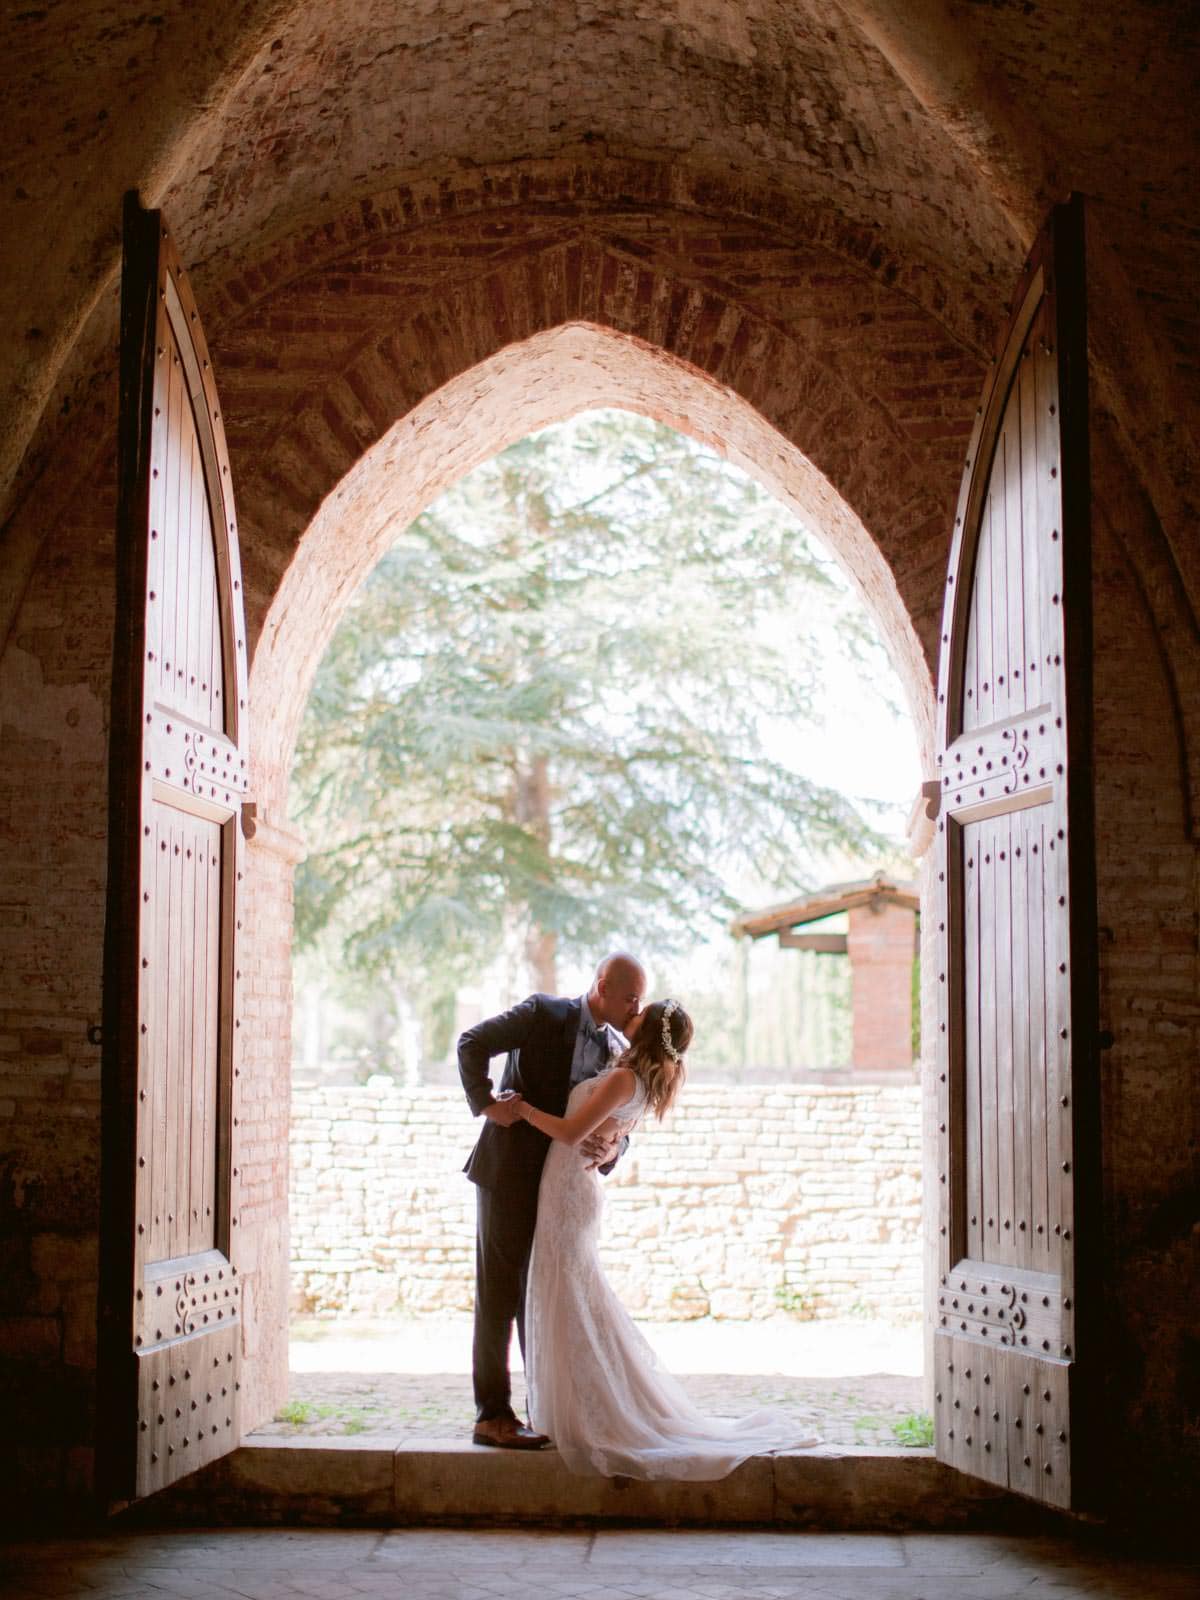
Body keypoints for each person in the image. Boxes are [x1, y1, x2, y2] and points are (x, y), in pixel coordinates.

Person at [514, 998, 820, 1479]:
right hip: (574, 1190)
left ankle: (593, 1411)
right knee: (572, 1298)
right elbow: (606, 1131)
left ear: (645, 1028)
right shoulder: (639, 1080)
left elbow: (574, 1132)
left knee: (569, 1298)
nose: (629, 1013)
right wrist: (611, 1140)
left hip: (569, 1190)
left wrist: (524, 1110)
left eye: (638, 1013)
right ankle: (579, 1404)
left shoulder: (622, 1078)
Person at [458, 951, 646, 1448]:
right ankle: (492, 1415)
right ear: (602, 986)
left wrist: (613, 1147)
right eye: (630, 997)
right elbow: (472, 1042)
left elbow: (616, 1118)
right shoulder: (544, 1013)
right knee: (499, 1294)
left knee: (538, 1295)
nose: (635, 1007)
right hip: (508, 1174)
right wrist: (485, 1104)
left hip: (560, 1187)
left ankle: (543, 1407)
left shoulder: (617, 1049)